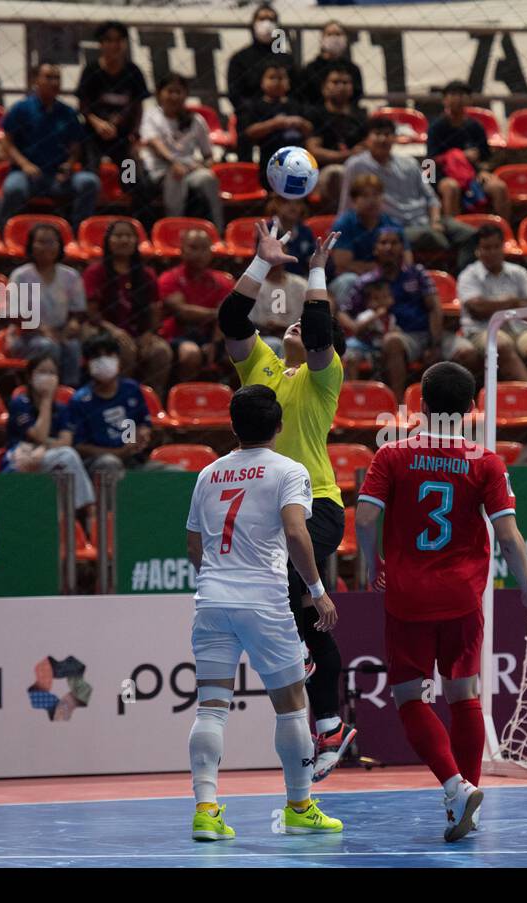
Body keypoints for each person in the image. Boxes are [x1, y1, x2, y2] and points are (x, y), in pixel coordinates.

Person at [354, 360, 527, 842]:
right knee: (465, 696)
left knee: (409, 697)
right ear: (471, 407)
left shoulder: (392, 456)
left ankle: (456, 788)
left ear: (420, 405)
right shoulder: (485, 461)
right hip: (462, 596)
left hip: (408, 596)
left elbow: (364, 519)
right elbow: (507, 535)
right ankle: (468, 801)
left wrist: (370, 563)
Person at [219, 220, 356, 781]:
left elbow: (321, 331)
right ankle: (330, 724)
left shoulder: (323, 380)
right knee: (300, 612)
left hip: (317, 504)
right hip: (268, 510)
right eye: (290, 319)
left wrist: (317, 268)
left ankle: (318, 700)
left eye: (307, 326)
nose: (297, 324)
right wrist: (263, 264)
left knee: (290, 590)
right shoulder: (263, 370)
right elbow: (232, 320)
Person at [185, 383, 343, 841]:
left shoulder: (208, 473)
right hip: (267, 602)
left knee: (211, 707)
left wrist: (217, 577)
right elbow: (297, 533)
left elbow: (195, 544)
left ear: (233, 427)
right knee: (292, 706)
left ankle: (206, 811)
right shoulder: (289, 470)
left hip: (213, 600)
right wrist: (316, 590)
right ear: (279, 427)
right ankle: (298, 806)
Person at [341, 227, 474, 396]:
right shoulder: (366, 282)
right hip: (402, 337)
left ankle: (456, 406)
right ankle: (399, 405)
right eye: (384, 243)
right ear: (375, 249)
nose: (389, 247)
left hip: (430, 333)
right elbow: (343, 312)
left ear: (402, 248)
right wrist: (356, 327)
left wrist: (435, 344)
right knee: (392, 341)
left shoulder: (417, 273)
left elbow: (434, 308)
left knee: (468, 353)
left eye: (394, 242)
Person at [337, 116, 478, 272]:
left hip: (427, 219)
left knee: (472, 235)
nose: (383, 139)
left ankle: (461, 277)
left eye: (388, 134)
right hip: (393, 227)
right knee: (428, 235)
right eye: (378, 134)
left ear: (395, 138)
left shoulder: (409, 163)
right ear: (367, 139)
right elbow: (347, 203)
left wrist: (436, 220)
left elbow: (431, 198)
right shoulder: (356, 165)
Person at [0, 64, 100, 231]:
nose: (54, 82)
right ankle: (6, 234)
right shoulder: (21, 109)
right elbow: (6, 142)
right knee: (12, 188)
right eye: (49, 77)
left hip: (57, 178)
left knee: (89, 182)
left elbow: (75, 147)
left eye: (57, 78)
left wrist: (69, 164)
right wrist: (24, 164)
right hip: (26, 175)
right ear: (36, 80)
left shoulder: (68, 113)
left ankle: (78, 233)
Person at [1, 352, 96, 523]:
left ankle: (72, 520)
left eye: (52, 373)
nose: (48, 377)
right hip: (19, 459)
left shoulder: (62, 409)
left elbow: (66, 442)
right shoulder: (20, 404)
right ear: (30, 377)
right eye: (42, 372)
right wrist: (46, 400)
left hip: (46, 460)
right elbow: (39, 435)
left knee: (67, 456)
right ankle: (89, 512)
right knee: (66, 456)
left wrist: (43, 448)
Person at [82, 219, 172, 394]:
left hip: (139, 330)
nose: (124, 240)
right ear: (108, 241)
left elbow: (154, 309)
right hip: (101, 328)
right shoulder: (95, 271)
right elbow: (91, 311)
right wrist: (113, 331)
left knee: (161, 351)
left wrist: (149, 334)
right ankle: (119, 397)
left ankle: (151, 400)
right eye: (118, 236)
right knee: (124, 349)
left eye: (129, 236)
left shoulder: (146, 274)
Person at [455, 223, 527, 385]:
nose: (492, 252)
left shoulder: (518, 272)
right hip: (482, 330)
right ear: (478, 251)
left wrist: (492, 305)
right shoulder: (468, 275)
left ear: (503, 247)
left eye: (496, 247)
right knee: (502, 344)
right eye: (486, 248)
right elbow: (478, 310)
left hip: (520, 329)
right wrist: (512, 301)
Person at [4, 222, 88, 387]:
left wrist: (73, 323)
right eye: (41, 242)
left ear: (59, 245)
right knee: (49, 346)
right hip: (27, 336)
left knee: (73, 346)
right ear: (31, 245)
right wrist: (41, 328)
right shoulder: (20, 275)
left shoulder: (70, 275)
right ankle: (44, 389)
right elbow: (12, 314)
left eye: (51, 242)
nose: (46, 247)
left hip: (61, 331)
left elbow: (78, 311)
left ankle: (69, 391)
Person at [75, 21, 149, 196]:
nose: (114, 45)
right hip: (93, 136)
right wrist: (98, 123)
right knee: (89, 179)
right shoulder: (91, 71)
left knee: (132, 181)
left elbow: (138, 107)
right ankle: (87, 221)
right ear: (101, 44)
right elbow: (83, 105)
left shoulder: (133, 72)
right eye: (108, 40)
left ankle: (133, 219)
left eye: (118, 40)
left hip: (122, 139)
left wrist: (135, 137)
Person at [139, 73, 224, 226]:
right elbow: (155, 144)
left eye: (179, 92)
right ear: (159, 94)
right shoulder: (151, 116)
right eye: (170, 91)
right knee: (175, 175)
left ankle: (218, 230)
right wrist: (174, 163)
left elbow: (208, 155)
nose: (174, 96)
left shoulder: (196, 120)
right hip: (159, 171)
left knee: (208, 178)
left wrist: (202, 165)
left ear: (186, 95)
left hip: (190, 171)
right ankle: (174, 226)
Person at [70, 332, 158, 475]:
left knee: (175, 471)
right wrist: (118, 452)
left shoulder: (131, 389)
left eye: (109, 355)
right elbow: (79, 446)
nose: (104, 361)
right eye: (97, 356)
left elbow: (144, 423)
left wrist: (142, 434)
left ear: (119, 360)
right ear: (87, 363)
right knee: (110, 463)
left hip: (133, 459)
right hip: (98, 463)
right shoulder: (80, 400)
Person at [426, 80, 509, 221]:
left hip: (473, 174)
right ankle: (452, 232)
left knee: (499, 187)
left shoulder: (475, 126)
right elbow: (429, 161)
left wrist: (483, 170)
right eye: (453, 94)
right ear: (444, 100)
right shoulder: (435, 127)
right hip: (445, 175)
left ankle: (503, 232)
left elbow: (486, 158)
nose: (457, 98)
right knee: (451, 187)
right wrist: (458, 157)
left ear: (470, 100)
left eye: (462, 95)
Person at [159, 229, 234, 383]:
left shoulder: (223, 281)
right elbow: (182, 312)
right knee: (191, 353)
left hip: (212, 335)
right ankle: (185, 398)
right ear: (182, 250)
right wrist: (216, 313)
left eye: (204, 248)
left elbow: (226, 317)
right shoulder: (169, 278)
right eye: (193, 247)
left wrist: (215, 344)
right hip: (176, 336)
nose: (199, 253)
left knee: (244, 351)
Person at [328, 173, 401, 306]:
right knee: (349, 280)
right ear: (354, 200)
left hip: (384, 278)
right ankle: (345, 325)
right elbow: (342, 266)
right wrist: (376, 269)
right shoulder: (344, 224)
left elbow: (406, 261)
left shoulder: (392, 224)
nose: (372, 200)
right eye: (365, 195)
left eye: (376, 195)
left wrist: (375, 270)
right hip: (351, 279)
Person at [236, 64, 313, 188]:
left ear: (288, 83)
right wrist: (274, 124)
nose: (277, 82)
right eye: (272, 78)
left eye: (281, 78)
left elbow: (310, 129)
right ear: (262, 82)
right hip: (270, 159)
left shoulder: (296, 105)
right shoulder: (256, 106)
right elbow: (249, 133)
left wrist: (300, 123)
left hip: (298, 159)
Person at [305, 66, 368, 209]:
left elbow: (368, 144)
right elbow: (314, 151)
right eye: (335, 82)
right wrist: (347, 155)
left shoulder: (360, 116)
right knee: (336, 173)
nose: (341, 86)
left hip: (358, 167)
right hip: (325, 171)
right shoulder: (316, 115)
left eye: (346, 82)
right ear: (324, 88)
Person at [226, 3, 297, 114]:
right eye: (262, 19)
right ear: (253, 24)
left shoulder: (286, 59)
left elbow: (296, 92)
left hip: (284, 114)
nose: (267, 23)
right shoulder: (239, 59)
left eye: (271, 19)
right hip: (252, 116)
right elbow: (234, 95)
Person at [298, 20, 364, 109]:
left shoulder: (353, 69)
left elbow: (357, 95)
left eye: (338, 34)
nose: (334, 38)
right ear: (322, 39)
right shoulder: (311, 69)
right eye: (329, 34)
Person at [343, 277, 393, 378]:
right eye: (376, 298)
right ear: (368, 302)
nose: (381, 302)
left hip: (379, 348)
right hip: (362, 346)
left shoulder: (391, 317)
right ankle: (352, 384)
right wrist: (375, 316)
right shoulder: (368, 314)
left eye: (385, 297)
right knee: (351, 356)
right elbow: (358, 328)